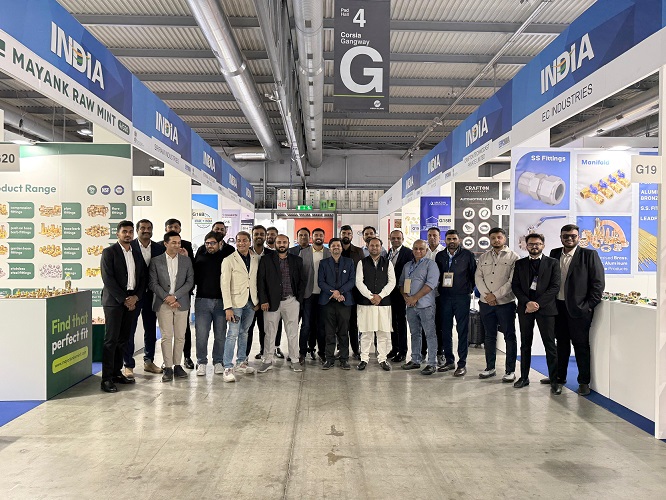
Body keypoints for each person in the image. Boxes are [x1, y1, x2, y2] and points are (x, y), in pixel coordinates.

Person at [544, 224, 605, 396]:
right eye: (566, 236)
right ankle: (559, 377)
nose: (569, 238)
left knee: (580, 346)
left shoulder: (589, 255)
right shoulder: (554, 253)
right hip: (558, 308)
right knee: (561, 345)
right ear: (561, 237)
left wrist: (588, 306)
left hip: (579, 310)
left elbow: (598, 284)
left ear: (578, 237)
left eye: (573, 236)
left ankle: (584, 382)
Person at [511, 233, 561, 395]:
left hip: (546, 309)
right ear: (526, 246)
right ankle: (524, 377)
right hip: (525, 309)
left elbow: (555, 286)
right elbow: (515, 286)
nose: (534, 246)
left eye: (538, 244)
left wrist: (537, 304)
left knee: (550, 345)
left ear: (543, 246)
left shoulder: (553, 263)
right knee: (525, 344)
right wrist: (527, 303)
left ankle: (554, 381)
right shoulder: (520, 264)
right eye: (531, 244)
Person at [100, 221, 146, 393]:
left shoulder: (137, 253)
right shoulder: (109, 252)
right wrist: (124, 299)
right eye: (124, 231)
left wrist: (136, 297)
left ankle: (116, 373)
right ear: (118, 234)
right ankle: (106, 379)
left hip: (132, 301)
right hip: (114, 302)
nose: (128, 234)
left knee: (123, 340)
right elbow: (108, 279)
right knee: (111, 340)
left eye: (130, 232)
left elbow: (143, 278)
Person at [474, 227, 519, 382]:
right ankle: (490, 368)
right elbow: (478, 277)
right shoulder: (484, 257)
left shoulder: (514, 257)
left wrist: (496, 296)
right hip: (486, 304)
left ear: (504, 239)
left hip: (506, 303)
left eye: (499, 237)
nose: (496, 240)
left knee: (509, 336)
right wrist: (488, 296)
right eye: (493, 238)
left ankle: (510, 370)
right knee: (489, 336)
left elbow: (512, 281)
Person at [149, 231, 194, 382]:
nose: (177, 245)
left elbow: (190, 282)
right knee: (166, 336)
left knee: (180, 336)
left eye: (179, 242)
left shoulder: (186, 261)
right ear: (166, 244)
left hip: (181, 302)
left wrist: (175, 296)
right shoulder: (156, 261)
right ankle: (168, 367)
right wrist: (167, 297)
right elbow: (153, 283)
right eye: (173, 242)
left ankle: (177, 365)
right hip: (163, 303)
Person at [257, 234, 306, 373]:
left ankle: (295, 360)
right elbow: (261, 281)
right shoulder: (266, 259)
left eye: (284, 242)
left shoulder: (297, 260)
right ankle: (267, 360)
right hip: (271, 302)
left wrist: (298, 299)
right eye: (279, 242)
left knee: (292, 332)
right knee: (270, 332)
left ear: (289, 243)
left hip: (291, 301)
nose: (282, 244)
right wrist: (263, 300)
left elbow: (302, 281)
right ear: (275, 244)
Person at [125, 219, 165, 378]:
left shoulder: (159, 248)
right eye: (143, 228)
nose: (146, 230)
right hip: (134, 295)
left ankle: (149, 361)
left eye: (149, 228)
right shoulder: (130, 247)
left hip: (152, 295)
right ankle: (128, 365)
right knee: (130, 329)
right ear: (137, 230)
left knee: (151, 329)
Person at [435, 229, 477, 376]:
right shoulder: (440, 256)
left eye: (454, 239)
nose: (451, 241)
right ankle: (449, 361)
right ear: (445, 240)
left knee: (462, 330)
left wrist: (468, 290)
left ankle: (462, 364)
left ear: (459, 240)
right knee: (445, 330)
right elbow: (437, 275)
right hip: (444, 297)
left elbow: (473, 274)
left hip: (461, 297)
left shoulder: (467, 255)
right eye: (449, 239)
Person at [221, 231, 259, 382]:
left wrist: (257, 301)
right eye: (238, 240)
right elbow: (224, 285)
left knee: (245, 332)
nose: (241, 243)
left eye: (244, 240)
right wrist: (227, 307)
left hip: (251, 302)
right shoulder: (229, 260)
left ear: (250, 242)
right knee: (232, 334)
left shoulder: (255, 258)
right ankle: (227, 367)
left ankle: (241, 362)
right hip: (235, 303)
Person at [399, 240, 440, 376]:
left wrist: (415, 298)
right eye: (415, 248)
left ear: (426, 250)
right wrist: (406, 298)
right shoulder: (407, 266)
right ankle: (415, 359)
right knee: (414, 333)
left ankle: (432, 363)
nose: (418, 251)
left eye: (421, 249)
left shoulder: (431, 265)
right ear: (412, 250)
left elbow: (430, 284)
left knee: (430, 334)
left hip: (425, 305)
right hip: (410, 306)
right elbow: (401, 284)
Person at [355, 237, 396, 371]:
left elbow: (392, 282)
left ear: (381, 247)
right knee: (366, 333)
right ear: (367, 247)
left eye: (377, 246)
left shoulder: (387, 263)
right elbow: (359, 282)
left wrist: (380, 296)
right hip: (366, 303)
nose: (374, 248)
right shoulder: (362, 263)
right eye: (372, 245)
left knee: (383, 333)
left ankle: (382, 359)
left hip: (383, 304)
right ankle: (364, 359)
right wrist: (370, 296)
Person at [193, 231, 230, 377]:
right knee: (201, 335)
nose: (209, 246)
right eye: (207, 243)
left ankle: (218, 361)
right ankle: (201, 362)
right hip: (202, 301)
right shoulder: (200, 254)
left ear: (220, 243)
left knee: (220, 334)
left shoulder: (226, 257)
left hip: (221, 302)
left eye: (213, 243)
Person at [318, 238, 356, 370]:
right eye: (333, 245)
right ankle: (329, 359)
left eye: (338, 245)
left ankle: (344, 359)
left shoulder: (349, 262)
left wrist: (340, 292)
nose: (336, 247)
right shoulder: (323, 263)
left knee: (343, 332)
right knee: (329, 332)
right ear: (329, 248)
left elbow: (352, 280)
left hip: (344, 301)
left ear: (341, 248)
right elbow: (321, 282)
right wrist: (334, 293)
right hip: (328, 301)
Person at [246, 225, 282, 359]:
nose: (259, 236)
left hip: (266, 298)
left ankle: (264, 352)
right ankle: (244, 356)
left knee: (265, 329)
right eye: (256, 234)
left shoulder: (272, 255)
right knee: (247, 329)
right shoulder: (245, 253)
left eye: (262, 234)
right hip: (249, 299)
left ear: (266, 236)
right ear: (252, 236)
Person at [164, 218, 196, 370]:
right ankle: (167, 361)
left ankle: (187, 357)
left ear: (180, 229)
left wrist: (186, 257)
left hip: (183, 295)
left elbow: (192, 270)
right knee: (166, 331)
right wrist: (168, 296)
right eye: (170, 227)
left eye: (176, 227)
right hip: (164, 297)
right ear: (166, 229)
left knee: (183, 329)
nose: (173, 229)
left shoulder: (187, 245)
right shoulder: (159, 246)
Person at [299, 228, 330, 363]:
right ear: (312, 237)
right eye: (316, 235)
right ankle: (302, 353)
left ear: (324, 237)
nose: (318, 237)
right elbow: (299, 274)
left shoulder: (329, 253)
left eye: (320, 235)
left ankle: (322, 352)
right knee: (306, 325)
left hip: (324, 295)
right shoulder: (303, 252)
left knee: (322, 326)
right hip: (308, 294)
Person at [386, 229, 412, 363]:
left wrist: (406, 292)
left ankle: (402, 351)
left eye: (398, 238)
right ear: (390, 239)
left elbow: (409, 274)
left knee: (401, 322)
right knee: (391, 322)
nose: (396, 240)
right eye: (393, 238)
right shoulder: (389, 253)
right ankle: (394, 348)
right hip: (389, 293)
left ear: (402, 239)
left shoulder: (408, 253)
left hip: (401, 292)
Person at [340, 224, 364, 359]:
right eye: (344, 233)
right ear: (340, 235)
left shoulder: (358, 251)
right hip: (338, 292)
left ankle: (355, 349)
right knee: (339, 323)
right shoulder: (335, 248)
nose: (346, 236)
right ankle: (340, 350)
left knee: (353, 323)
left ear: (352, 236)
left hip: (353, 292)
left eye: (349, 234)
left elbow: (362, 272)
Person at [425, 227, 445, 365]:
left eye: (435, 235)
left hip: (440, 295)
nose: (432, 237)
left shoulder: (443, 253)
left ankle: (440, 352)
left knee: (439, 325)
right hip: (424, 295)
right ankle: (423, 352)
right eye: (430, 235)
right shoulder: (423, 252)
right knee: (424, 324)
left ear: (439, 237)